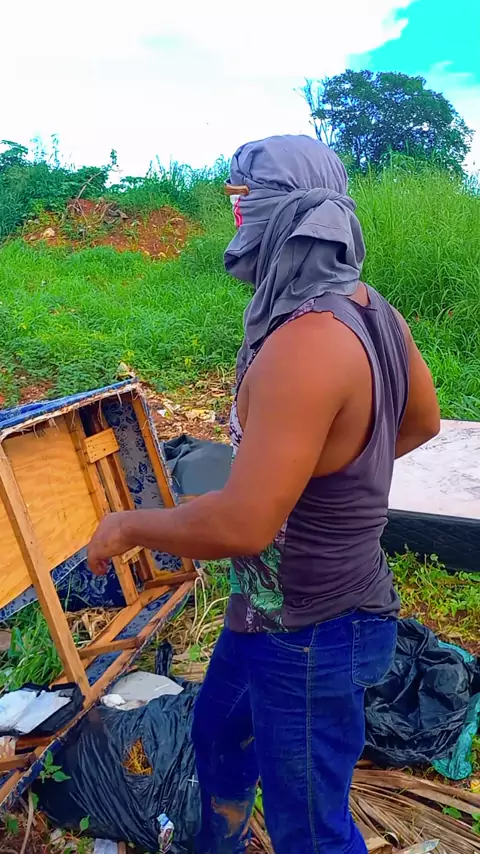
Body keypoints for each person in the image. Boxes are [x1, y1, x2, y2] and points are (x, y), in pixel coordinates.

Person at [87, 135, 440, 854]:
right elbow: (421, 421)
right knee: (219, 736)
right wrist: (319, 474)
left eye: (245, 199)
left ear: (290, 212)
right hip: (271, 612)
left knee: (309, 829)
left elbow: (245, 526)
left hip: (314, 630)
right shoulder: (372, 311)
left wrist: (129, 526)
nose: (235, 215)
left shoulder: (308, 345)